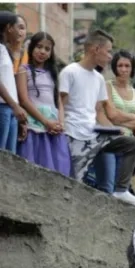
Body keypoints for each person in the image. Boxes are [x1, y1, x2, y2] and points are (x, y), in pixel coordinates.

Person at [59, 29, 135, 206]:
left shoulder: (98, 78)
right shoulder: (70, 72)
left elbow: (99, 112)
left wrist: (113, 131)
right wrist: (61, 128)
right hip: (74, 134)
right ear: (96, 49)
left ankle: (121, 190)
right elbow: (61, 104)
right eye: (108, 51)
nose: (110, 56)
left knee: (131, 143)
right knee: (73, 183)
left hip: (95, 134)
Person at [14, 31, 70, 176]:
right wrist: (45, 122)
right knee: (37, 165)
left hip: (53, 126)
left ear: (51, 53)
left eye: (47, 49)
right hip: (35, 125)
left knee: (56, 168)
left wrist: (60, 122)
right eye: (39, 47)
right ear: (31, 48)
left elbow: (58, 101)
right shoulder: (23, 70)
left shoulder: (52, 73)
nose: (42, 51)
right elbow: (24, 100)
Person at [0, 12, 25, 154]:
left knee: (10, 158)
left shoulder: (4, 50)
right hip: (3, 107)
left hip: (10, 109)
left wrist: (17, 109)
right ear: (9, 28)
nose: (20, 32)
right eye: (18, 27)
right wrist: (15, 106)